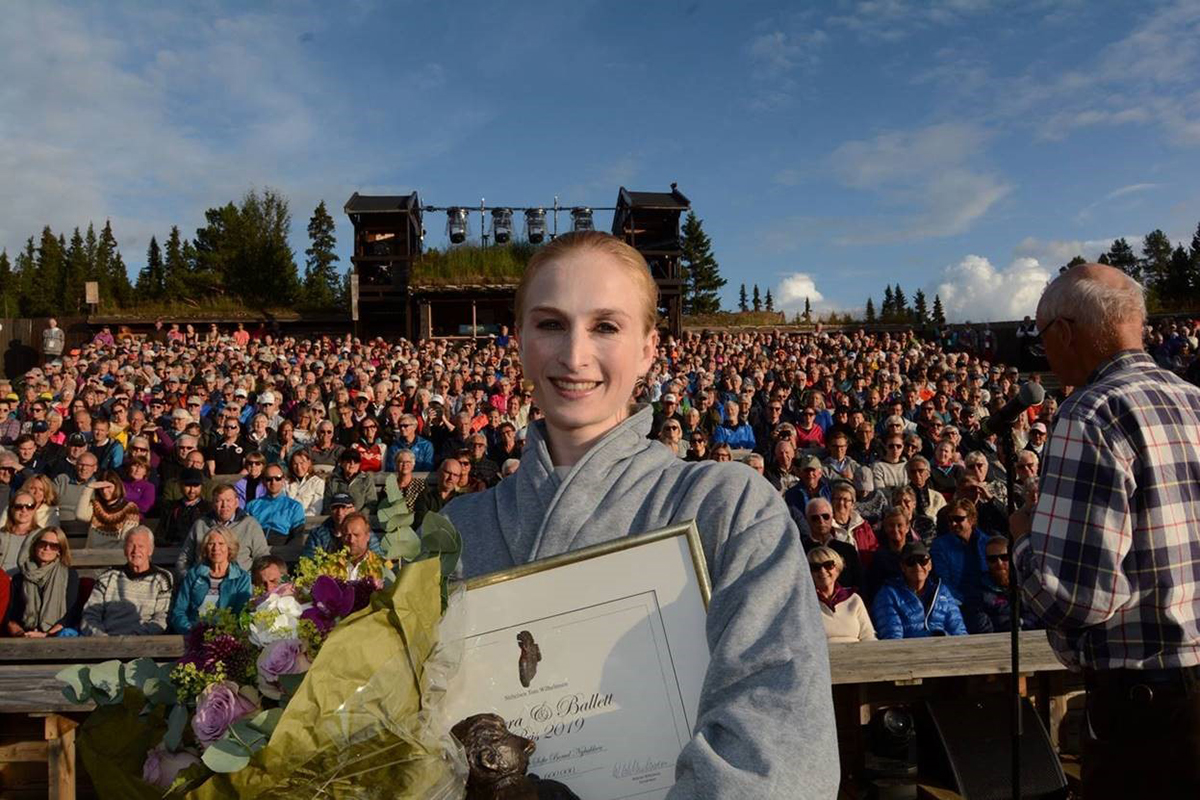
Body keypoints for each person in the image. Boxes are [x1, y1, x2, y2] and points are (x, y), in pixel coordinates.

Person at [438, 232, 839, 799]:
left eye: (606, 326)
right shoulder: (459, 529)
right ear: (520, 340)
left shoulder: (728, 507)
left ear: (650, 348)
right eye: (550, 323)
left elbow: (778, 756)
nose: (574, 355)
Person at [1012, 264, 1200, 798]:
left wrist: (1025, 536)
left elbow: (1075, 599)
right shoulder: (1195, 400)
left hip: (1149, 711)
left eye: (1043, 337)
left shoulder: (1089, 413)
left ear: (1065, 332)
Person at [80, 526, 173, 636]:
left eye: (141, 546)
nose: (135, 550)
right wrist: (103, 639)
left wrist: (132, 639)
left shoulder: (162, 579)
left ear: (150, 550)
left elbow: (161, 618)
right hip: (107, 643)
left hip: (144, 643)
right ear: (124, 550)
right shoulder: (108, 577)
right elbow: (90, 615)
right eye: (131, 545)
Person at [871, 541, 967, 639]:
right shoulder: (888, 595)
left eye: (922, 560)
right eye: (910, 561)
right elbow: (892, 638)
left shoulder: (943, 592)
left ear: (930, 565)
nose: (917, 567)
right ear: (902, 567)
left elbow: (959, 631)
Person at [170, 527, 252, 633]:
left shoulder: (241, 578)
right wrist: (190, 631)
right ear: (205, 548)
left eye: (221, 543)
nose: (215, 548)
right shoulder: (194, 574)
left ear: (229, 548)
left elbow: (240, 615)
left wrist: (220, 633)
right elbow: (179, 611)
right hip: (192, 632)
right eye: (211, 544)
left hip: (226, 635)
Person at [177, 484, 269, 574]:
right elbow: (184, 559)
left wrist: (249, 582)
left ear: (236, 503)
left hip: (240, 583)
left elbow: (262, 558)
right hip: (203, 582)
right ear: (213, 504)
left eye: (228, 500)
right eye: (219, 501)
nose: (224, 505)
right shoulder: (200, 525)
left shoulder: (250, 525)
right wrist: (190, 579)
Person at [5, 527, 80, 638]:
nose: (47, 548)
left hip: (56, 635)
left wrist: (46, 635)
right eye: (42, 543)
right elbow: (11, 617)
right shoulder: (20, 578)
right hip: (24, 635)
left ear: (59, 550)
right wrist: (22, 634)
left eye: (53, 546)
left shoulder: (69, 575)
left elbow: (71, 614)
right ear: (35, 546)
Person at [808, 545, 876, 644]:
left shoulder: (853, 599)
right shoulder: (805, 602)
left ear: (837, 568)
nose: (822, 571)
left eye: (828, 565)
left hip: (856, 655)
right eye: (815, 567)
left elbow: (868, 636)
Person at [75, 471, 142, 548]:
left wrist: (107, 554)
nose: (104, 491)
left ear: (117, 486)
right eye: (101, 488)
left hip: (114, 555)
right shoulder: (96, 505)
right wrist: (88, 487)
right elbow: (80, 515)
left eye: (108, 487)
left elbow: (125, 539)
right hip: (92, 553)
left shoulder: (130, 508)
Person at [246, 464, 306, 545]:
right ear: (263, 481)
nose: (273, 482)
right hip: (256, 544)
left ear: (283, 480)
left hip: (282, 546)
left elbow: (297, 536)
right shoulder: (252, 505)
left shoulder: (294, 507)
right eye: (269, 479)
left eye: (277, 478)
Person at [154, 467, 211, 547]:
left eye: (195, 486)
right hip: (172, 550)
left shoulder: (208, 509)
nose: (192, 490)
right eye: (188, 486)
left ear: (201, 486)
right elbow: (161, 534)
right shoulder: (171, 508)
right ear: (180, 485)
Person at [323, 448, 378, 516]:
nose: (352, 464)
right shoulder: (333, 480)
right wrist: (338, 515)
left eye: (356, 461)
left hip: (359, 519)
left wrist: (358, 517)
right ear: (342, 463)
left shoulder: (366, 480)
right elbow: (327, 504)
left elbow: (371, 503)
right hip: (337, 518)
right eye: (348, 461)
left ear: (359, 464)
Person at [0, 491, 41, 574]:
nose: (24, 510)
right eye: (19, 506)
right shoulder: (1, 535)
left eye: (29, 506)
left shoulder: (41, 536)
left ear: (34, 509)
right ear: (12, 509)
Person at [285, 448, 325, 516]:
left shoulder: (317, 482)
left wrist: (300, 519)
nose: (299, 467)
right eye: (295, 464)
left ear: (309, 463)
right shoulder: (286, 482)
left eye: (301, 463)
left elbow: (316, 508)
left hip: (307, 521)